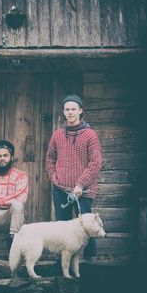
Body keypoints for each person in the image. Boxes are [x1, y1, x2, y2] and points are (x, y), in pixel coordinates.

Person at [46, 94, 102, 262]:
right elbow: (50, 159)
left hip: (83, 191)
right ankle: (62, 262)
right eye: (67, 109)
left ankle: (90, 260)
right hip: (61, 189)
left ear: (80, 111)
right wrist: (54, 178)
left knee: (87, 226)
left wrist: (80, 184)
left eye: (73, 109)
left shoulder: (90, 135)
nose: (70, 112)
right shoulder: (57, 134)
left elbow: (96, 162)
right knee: (62, 227)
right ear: (63, 112)